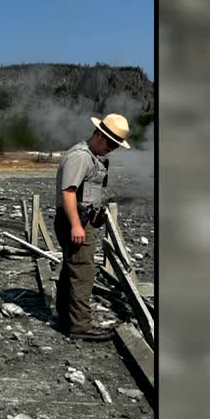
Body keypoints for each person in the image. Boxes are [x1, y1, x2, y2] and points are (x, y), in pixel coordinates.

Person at [54, 113, 131, 341]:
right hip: (75, 220)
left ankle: (67, 317)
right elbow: (68, 192)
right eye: (110, 143)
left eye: (115, 146)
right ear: (99, 134)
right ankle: (80, 326)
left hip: (81, 219)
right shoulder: (81, 157)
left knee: (73, 268)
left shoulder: (92, 157)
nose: (111, 148)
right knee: (83, 272)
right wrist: (76, 225)